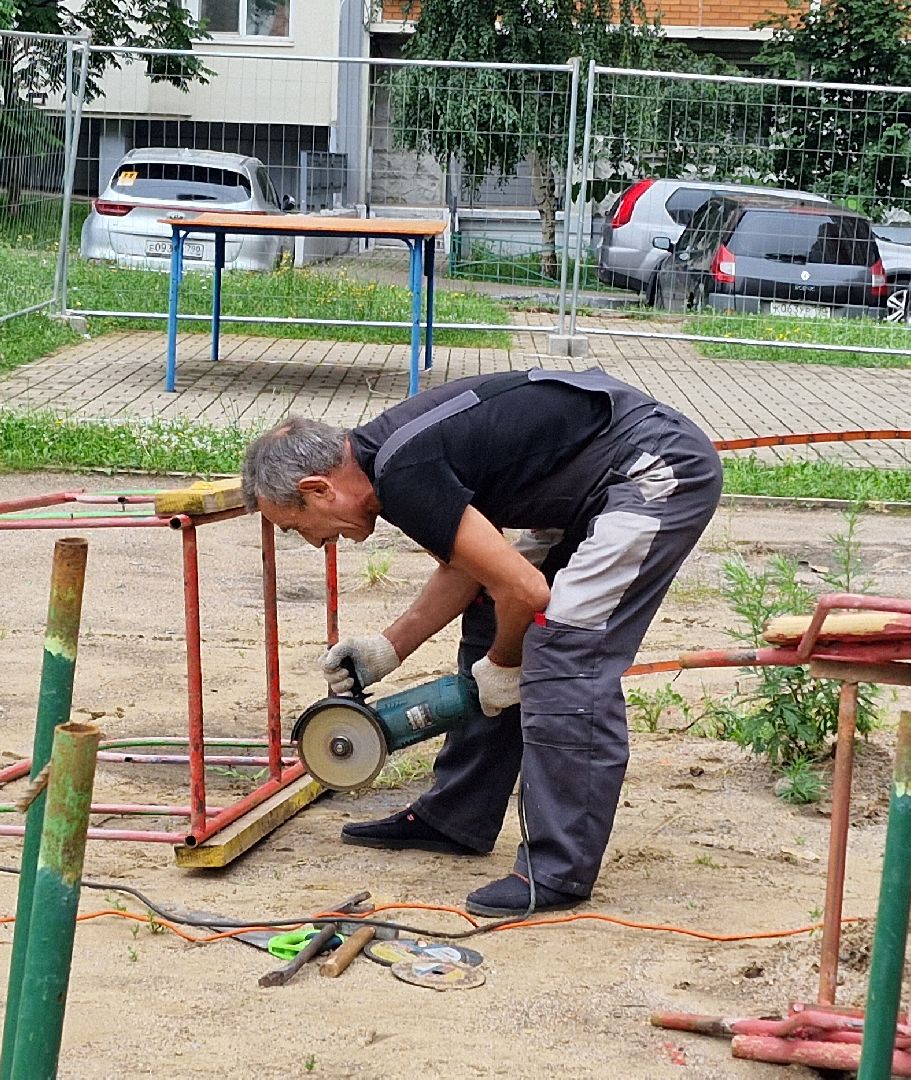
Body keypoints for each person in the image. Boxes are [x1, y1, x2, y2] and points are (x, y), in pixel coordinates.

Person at [242, 369, 721, 916]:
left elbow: (526, 589)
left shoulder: (402, 473)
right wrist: (388, 649)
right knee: (494, 617)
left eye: (295, 526)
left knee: (567, 651)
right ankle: (456, 817)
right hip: (593, 483)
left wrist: (504, 665)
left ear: (317, 489)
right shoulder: (388, 461)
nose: (309, 540)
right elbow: (473, 567)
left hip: (652, 472)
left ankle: (557, 872)